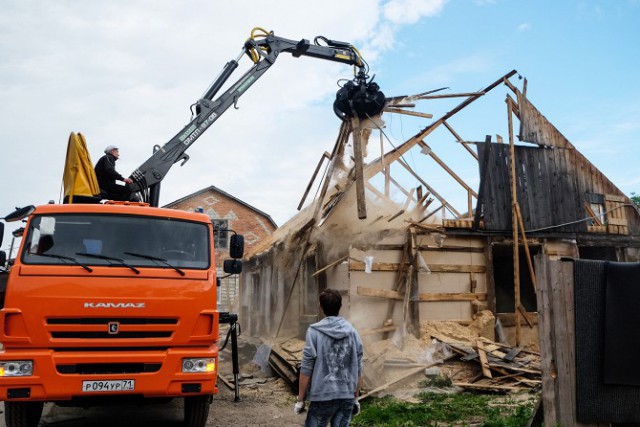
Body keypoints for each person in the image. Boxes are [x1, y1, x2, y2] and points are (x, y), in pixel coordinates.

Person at [295, 288, 364, 427]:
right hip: (346, 395)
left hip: (322, 395)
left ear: (320, 306)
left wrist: (300, 399)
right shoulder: (352, 331)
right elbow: (358, 366)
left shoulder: (314, 332)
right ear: (341, 306)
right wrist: (355, 396)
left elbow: (307, 367)